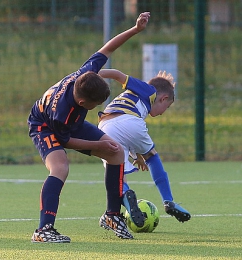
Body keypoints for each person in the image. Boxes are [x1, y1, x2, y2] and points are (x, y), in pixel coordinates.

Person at [28, 12, 150, 242]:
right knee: (60, 167)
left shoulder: (87, 74)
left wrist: (135, 29)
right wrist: (99, 143)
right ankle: (43, 230)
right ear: (84, 103)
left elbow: (108, 48)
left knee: (116, 152)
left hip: (69, 124)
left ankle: (112, 215)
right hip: (44, 125)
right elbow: (66, 141)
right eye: (97, 105)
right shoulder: (63, 112)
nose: (98, 108)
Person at [98, 69, 191, 223]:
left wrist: (136, 155)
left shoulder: (132, 96)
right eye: (166, 107)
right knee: (152, 157)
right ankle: (168, 201)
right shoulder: (147, 88)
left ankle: (127, 198)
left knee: (117, 176)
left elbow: (122, 131)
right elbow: (117, 74)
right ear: (163, 98)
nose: (163, 113)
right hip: (129, 121)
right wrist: (91, 72)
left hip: (104, 126)